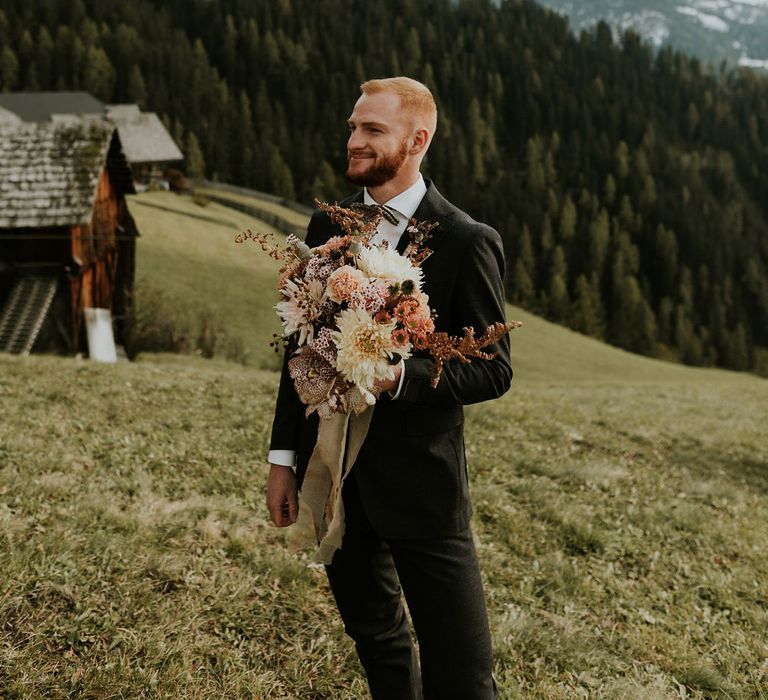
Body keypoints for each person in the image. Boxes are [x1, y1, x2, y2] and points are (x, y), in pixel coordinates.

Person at [266, 77, 512, 700]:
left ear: (417, 140)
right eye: (353, 127)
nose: (354, 140)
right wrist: (282, 460)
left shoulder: (463, 239)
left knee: (461, 672)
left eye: (372, 130)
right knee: (377, 640)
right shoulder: (329, 223)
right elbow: (302, 351)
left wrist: (401, 375)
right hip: (338, 477)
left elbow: (492, 369)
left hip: (424, 488)